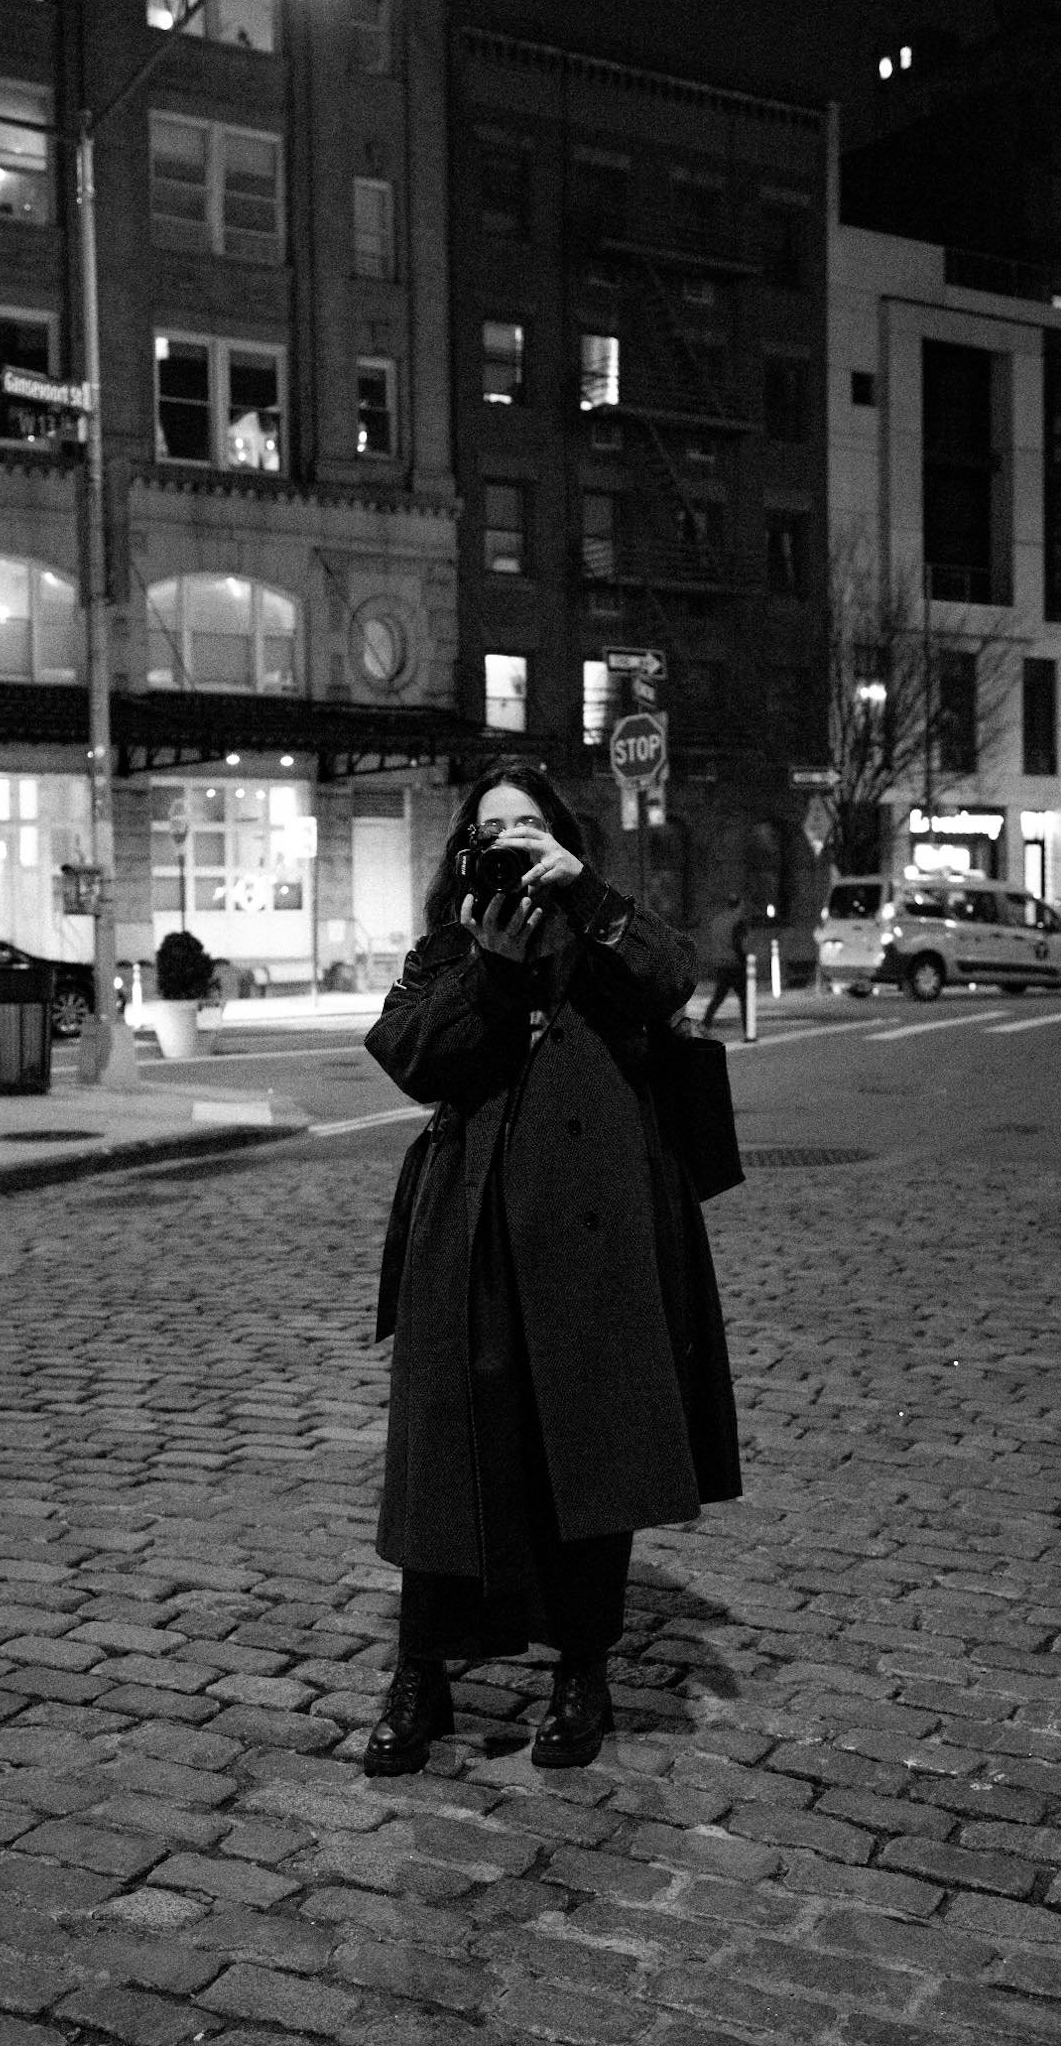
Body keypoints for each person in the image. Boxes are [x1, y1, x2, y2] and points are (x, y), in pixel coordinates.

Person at [362, 760, 741, 1776]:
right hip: (472, 1235)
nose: (515, 841)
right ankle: (421, 1672)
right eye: (496, 829)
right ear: (464, 852)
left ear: (564, 835)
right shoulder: (445, 951)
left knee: (590, 1455)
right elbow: (410, 1051)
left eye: (532, 823)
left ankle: (582, 1666)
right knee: (446, 1460)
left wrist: (584, 891)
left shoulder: (607, 935)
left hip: (593, 1238)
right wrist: (489, 966)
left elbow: (672, 972)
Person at [701, 892, 750, 1032]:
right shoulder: (738, 922)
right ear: (739, 905)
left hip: (720, 964)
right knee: (744, 998)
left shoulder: (717, 921)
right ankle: (748, 1028)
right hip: (735, 964)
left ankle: (705, 1023)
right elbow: (740, 944)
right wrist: (746, 960)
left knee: (718, 996)